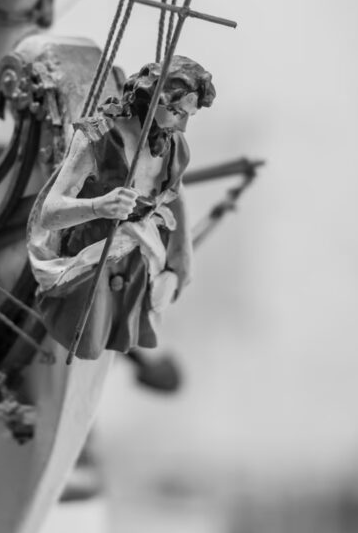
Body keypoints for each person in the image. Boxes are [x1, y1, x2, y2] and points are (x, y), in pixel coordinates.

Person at [27, 55, 216, 360]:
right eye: (177, 112)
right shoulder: (97, 137)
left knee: (122, 335)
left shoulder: (175, 146)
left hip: (137, 253)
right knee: (87, 342)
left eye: (188, 115)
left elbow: (174, 194)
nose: (182, 124)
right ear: (152, 99)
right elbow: (50, 214)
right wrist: (99, 206)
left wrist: (183, 251)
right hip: (90, 253)